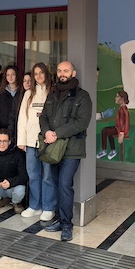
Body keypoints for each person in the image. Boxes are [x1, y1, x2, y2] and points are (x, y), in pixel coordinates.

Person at [40, 61, 93, 241]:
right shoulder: (52, 94)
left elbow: (81, 123)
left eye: (66, 71)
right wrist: (46, 131)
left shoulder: (82, 96)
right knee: (55, 183)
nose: (62, 73)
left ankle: (67, 225)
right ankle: (60, 220)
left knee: (64, 185)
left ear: (73, 73)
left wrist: (56, 133)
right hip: (53, 149)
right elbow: (44, 117)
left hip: (71, 149)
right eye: (60, 71)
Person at [17, 62, 56, 222]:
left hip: (47, 141)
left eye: (41, 73)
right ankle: (35, 206)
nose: (39, 76)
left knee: (48, 176)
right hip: (31, 142)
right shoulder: (28, 94)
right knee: (33, 175)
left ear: (46, 74)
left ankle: (48, 208)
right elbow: (22, 119)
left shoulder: (52, 93)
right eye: (36, 73)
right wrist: (22, 140)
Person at [0, 65, 22, 140]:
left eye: (13, 74)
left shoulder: (22, 92)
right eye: (8, 75)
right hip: (3, 131)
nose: (10, 77)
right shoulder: (1, 93)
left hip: (20, 130)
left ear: (17, 75)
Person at [97, 91, 130, 160]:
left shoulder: (122, 109)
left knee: (104, 130)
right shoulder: (123, 108)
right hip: (120, 129)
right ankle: (113, 150)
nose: (115, 98)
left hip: (120, 129)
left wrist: (121, 133)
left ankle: (104, 150)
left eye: (117, 96)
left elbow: (122, 122)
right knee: (109, 132)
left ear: (122, 99)